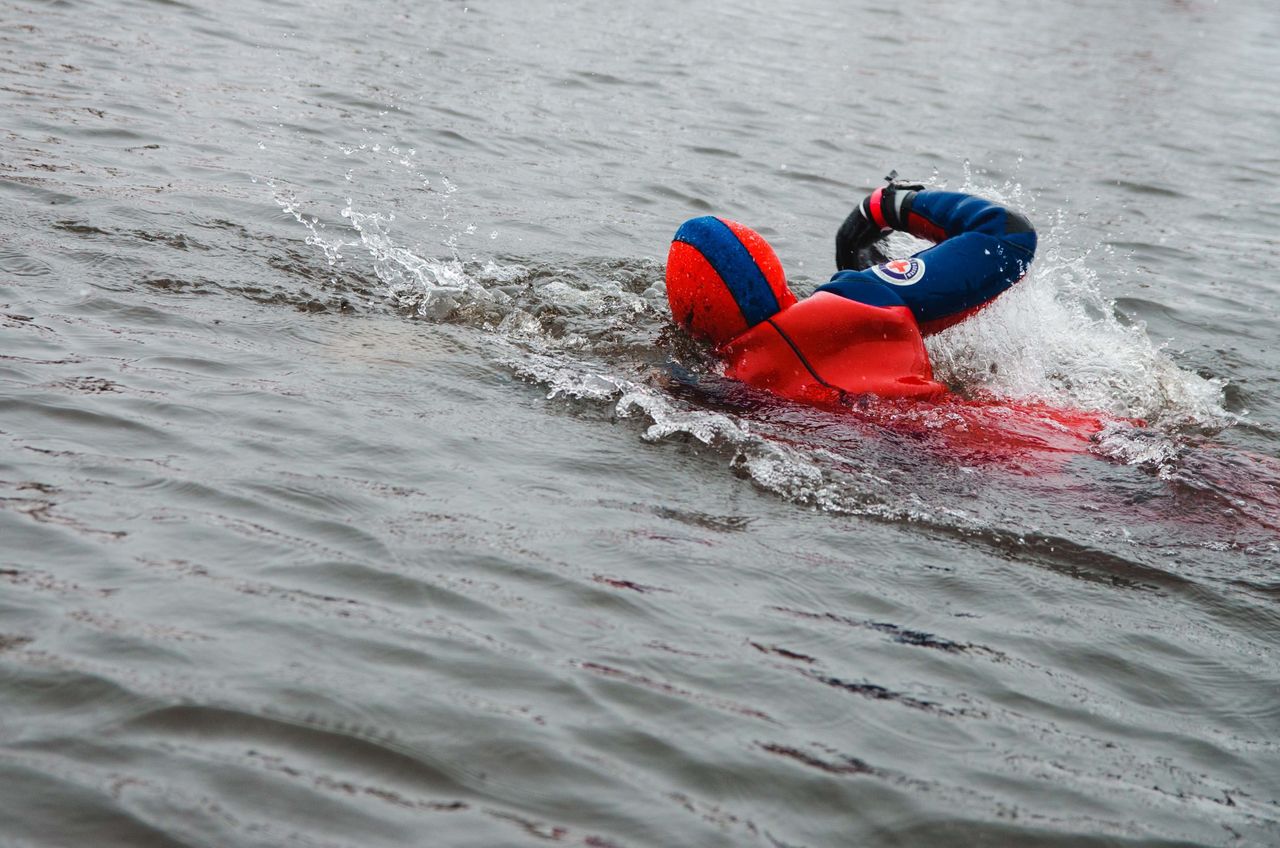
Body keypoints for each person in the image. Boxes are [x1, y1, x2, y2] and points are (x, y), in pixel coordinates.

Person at [664, 174, 1038, 407]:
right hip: (1029, 448)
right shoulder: (854, 300)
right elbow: (1008, 235)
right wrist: (885, 207)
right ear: (769, 268)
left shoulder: (724, 383)